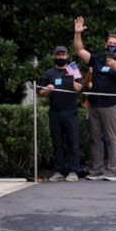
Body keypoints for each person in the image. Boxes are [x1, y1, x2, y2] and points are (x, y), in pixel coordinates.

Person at [73, 17, 116, 181]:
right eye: (110, 43)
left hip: (111, 105)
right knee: (94, 137)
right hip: (94, 104)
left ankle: (112, 171)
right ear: (105, 44)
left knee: (111, 138)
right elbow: (80, 51)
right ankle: (97, 169)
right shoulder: (98, 59)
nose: (112, 45)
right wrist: (77, 33)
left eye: (115, 43)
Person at [38, 46, 82, 182]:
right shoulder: (49, 73)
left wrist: (72, 81)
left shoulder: (73, 70)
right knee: (57, 142)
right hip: (55, 112)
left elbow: (80, 88)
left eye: (63, 54)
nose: (61, 57)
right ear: (54, 56)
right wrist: (48, 89)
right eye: (59, 55)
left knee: (72, 142)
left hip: (70, 111)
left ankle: (73, 170)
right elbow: (41, 93)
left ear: (67, 56)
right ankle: (59, 170)